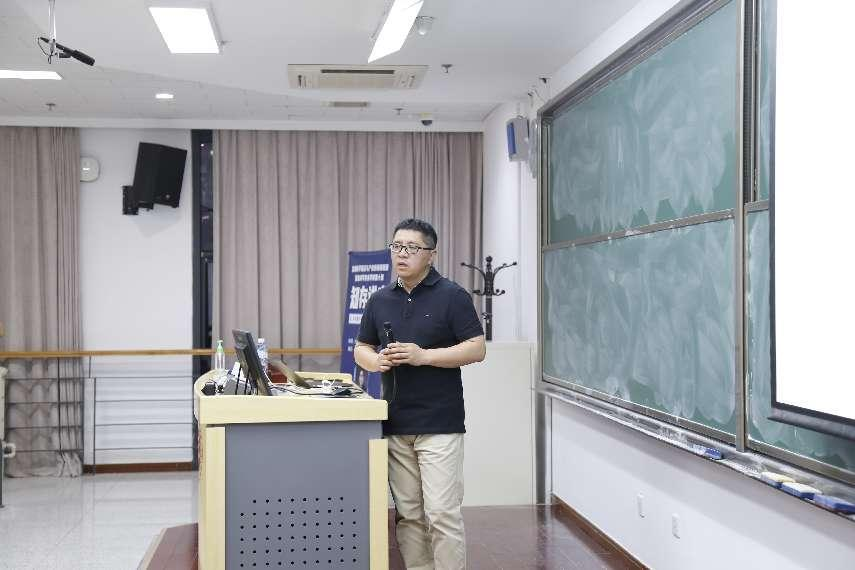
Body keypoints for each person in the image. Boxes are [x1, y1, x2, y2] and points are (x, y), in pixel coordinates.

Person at [354, 218, 486, 570]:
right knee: (409, 514)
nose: (402, 254)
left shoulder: (452, 296)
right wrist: (377, 361)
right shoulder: (379, 299)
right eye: (397, 246)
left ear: (431, 254)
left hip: (440, 422)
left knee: (441, 513)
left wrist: (423, 356)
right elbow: (361, 348)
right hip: (396, 421)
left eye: (412, 248)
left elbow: (476, 348)